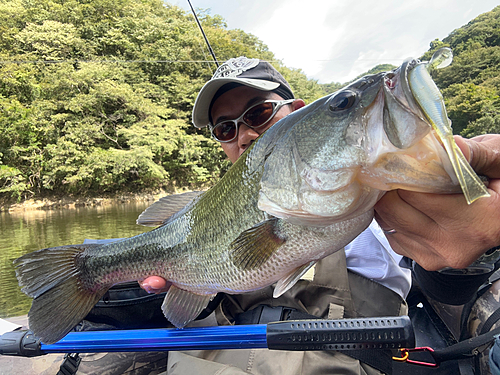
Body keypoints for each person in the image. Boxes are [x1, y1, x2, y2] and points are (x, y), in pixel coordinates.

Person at [138, 57, 500, 374]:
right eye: (225, 128)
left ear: (296, 110)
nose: (244, 135)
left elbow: (464, 182)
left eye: (259, 113)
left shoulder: (380, 179)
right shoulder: (203, 213)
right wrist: (195, 282)